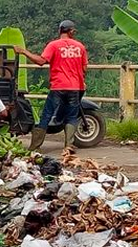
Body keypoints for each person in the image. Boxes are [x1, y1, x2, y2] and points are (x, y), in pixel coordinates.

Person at [14, 20, 88, 151]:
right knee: (71, 116)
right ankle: (68, 146)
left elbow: (41, 61)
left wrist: (24, 52)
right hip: (75, 87)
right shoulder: (80, 47)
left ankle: (35, 146)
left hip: (58, 86)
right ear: (71, 32)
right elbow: (84, 68)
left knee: (47, 115)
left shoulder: (54, 45)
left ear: (60, 31)